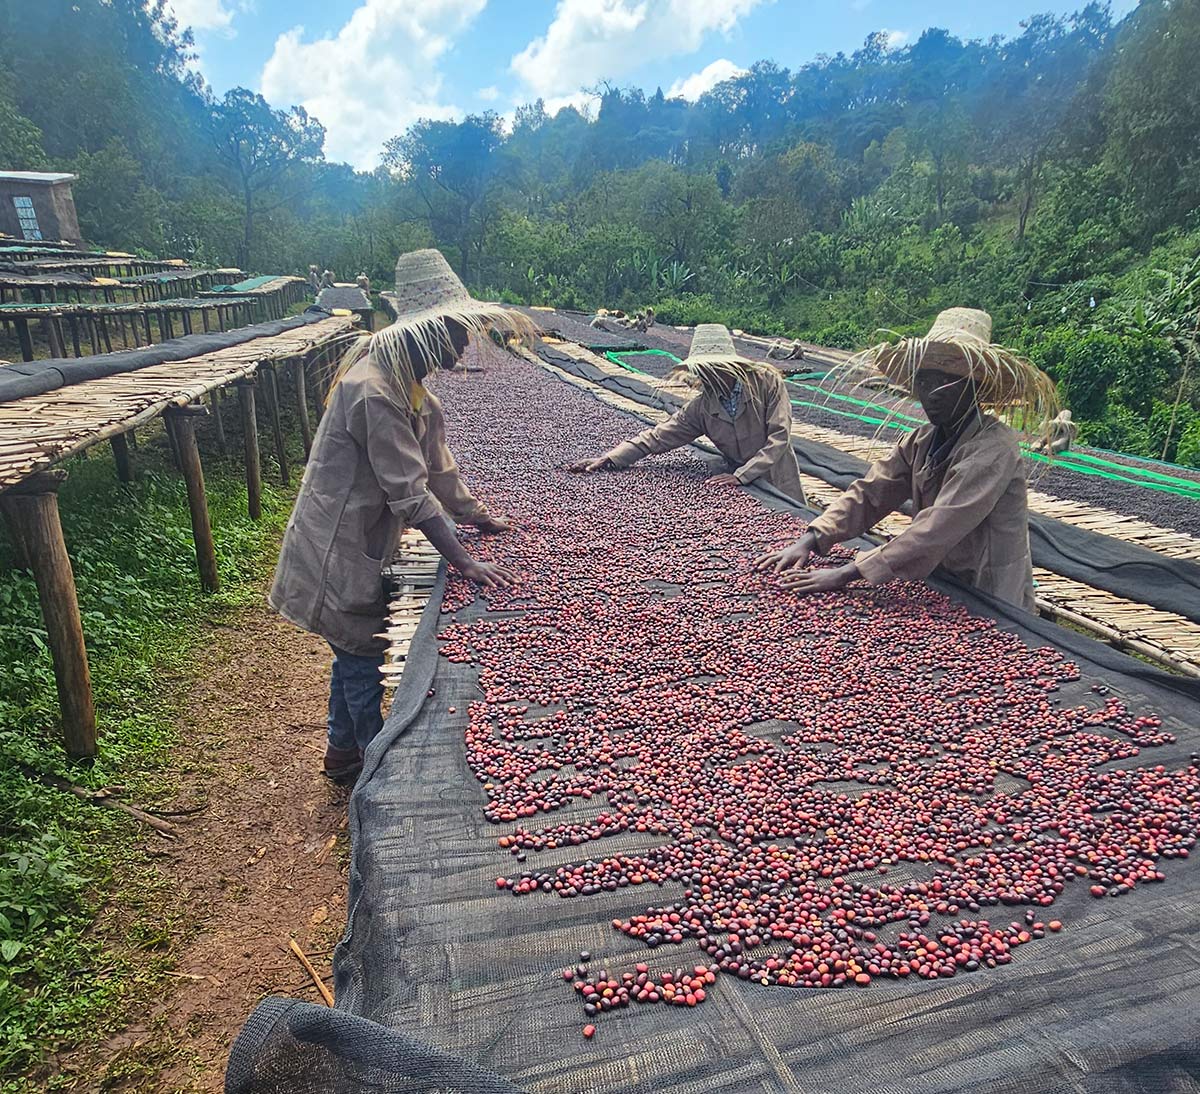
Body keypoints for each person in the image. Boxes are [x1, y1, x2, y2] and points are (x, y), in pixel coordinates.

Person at [270, 248, 537, 783]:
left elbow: (441, 474)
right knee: (360, 654)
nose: (465, 343)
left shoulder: (418, 395)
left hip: (362, 538)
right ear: (428, 334)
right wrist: (464, 562)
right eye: (458, 332)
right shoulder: (373, 391)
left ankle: (341, 752)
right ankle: (371, 767)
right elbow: (411, 494)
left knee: (353, 650)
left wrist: (480, 518)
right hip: (336, 546)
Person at [755, 308, 1057, 610]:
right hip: (941, 579)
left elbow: (939, 526)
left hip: (990, 591)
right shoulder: (921, 441)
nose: (933, 394)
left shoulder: (993, 449)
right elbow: (871, 493)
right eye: (925, 382)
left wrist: (847, 573)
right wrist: (812, 538)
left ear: (975, 387)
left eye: (948, 382)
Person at [569, 323, 806, 503]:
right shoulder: (702, 407)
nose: (704, 376)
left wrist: (742, 476)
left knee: (793, 535)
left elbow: (779, 437)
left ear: (726, 366)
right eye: (701, 370)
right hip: (739, 487)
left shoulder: (767, 383)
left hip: (777, 479)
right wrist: (610, 458)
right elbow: (658, 437)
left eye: (709, 368)